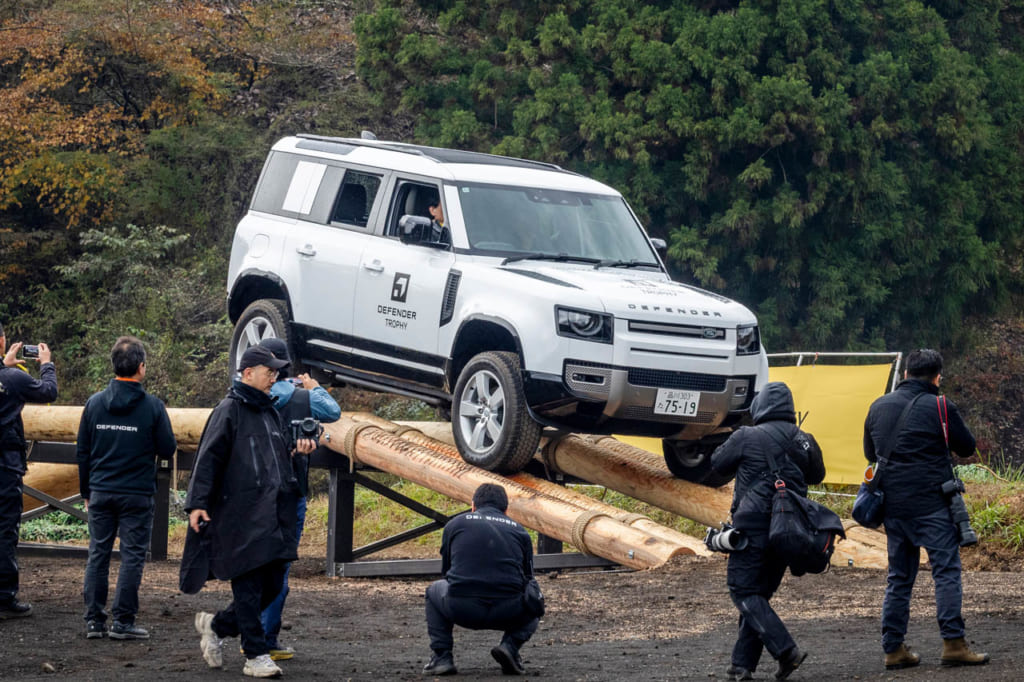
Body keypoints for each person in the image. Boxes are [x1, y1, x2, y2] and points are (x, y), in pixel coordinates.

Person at [182, 345, 316, 679]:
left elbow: (278, 456)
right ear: (248, 373)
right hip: (238, 516)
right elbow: (207, 458)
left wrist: (298, 452)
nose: (275, 377)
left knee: (273, 586)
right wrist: (197, 503)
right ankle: (255, 655)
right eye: (269, 372)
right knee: (249, 585)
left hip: (272, 514)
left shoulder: (269, 411)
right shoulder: (228, 410)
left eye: (276, 372)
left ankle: (215, 625)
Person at [863, 348, 989, 669]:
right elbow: (966, 446)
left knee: (899, 577)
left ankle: (893, 649)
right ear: (936, 378)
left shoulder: (878, 406)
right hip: (933, 504)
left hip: (894, 508)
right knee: (945, 571)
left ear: (905, 374)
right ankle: (953, 643)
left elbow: (870, 453)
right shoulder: (941, 406)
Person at [710, 381, 825, 681]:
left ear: (760, 406)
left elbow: (717, 464)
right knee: (758, 595)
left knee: (744, 590)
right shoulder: (805, 439)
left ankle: (787, 651)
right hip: (789, 530)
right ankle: (741, 666)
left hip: (753, 527)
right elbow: (817, 474)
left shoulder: (747, 435)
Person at [76, 336, 177, 640]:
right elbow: (167, 446)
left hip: (101, 491)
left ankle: (94, 621)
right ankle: (123, 622)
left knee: (98, 554)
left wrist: (86, 492)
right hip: (136, 493)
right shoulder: (152, 407)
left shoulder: (94, 404)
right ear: (141, 367)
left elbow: (82, 452)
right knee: (132, 556)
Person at [256, 337, 340, 661]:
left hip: (256, 492)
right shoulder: (302, 396)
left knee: (253, 565)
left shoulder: (249, 396)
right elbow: (333, 411)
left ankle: (251, 634)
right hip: (292, 491)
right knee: (281, 567)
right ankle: (265, 637)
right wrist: (314, 386)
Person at [423, 483, 541, 676]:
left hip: (462, 607)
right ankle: (510, 647)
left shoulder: (455, 524)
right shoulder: (520, 531)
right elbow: (529, 579)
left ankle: (442, 658)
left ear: (473, 506)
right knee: (534, 600)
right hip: (508, 610)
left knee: (433, 591)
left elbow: (446, 571)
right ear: (506, 509)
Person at [0, 322, 57, 619]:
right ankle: (4, 597)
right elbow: (49, 391)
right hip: (5, 468)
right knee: (4, 530)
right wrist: (46, 365)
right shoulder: (12, 378)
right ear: (1, 342)